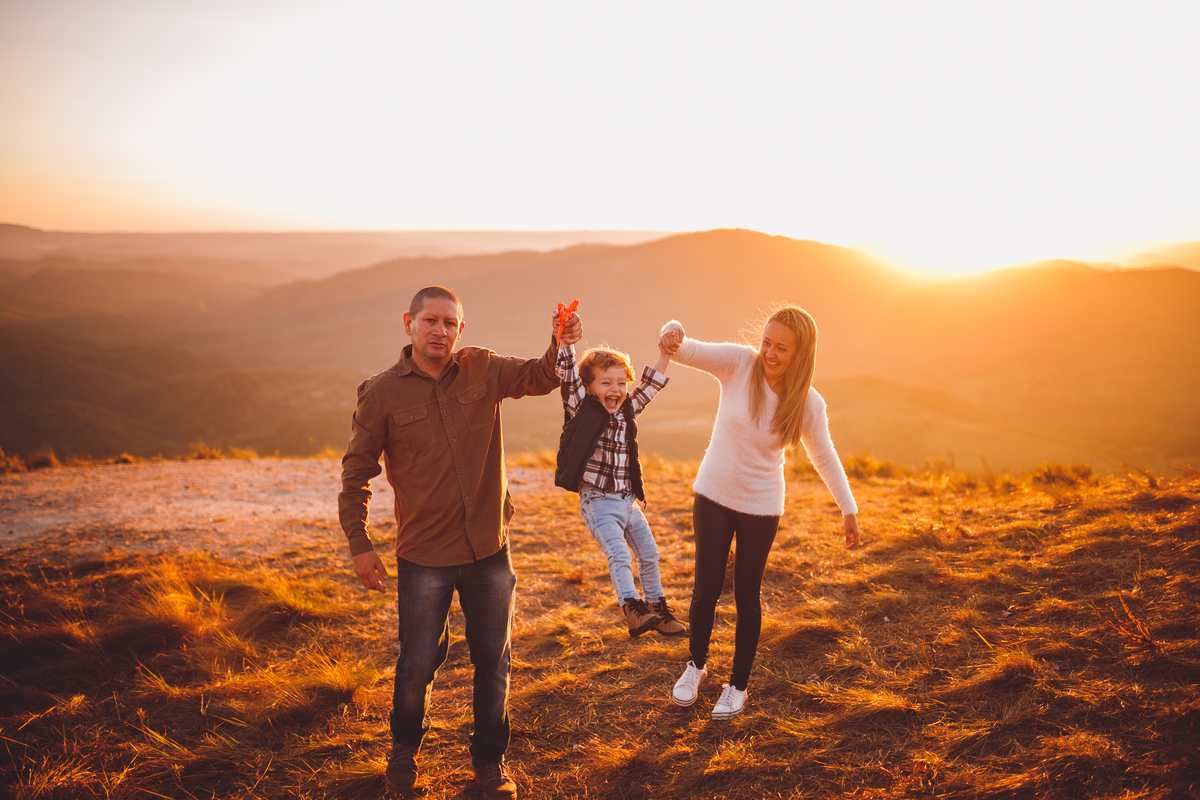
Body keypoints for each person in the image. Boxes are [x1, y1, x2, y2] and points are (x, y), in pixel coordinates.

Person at [339, 286, 581, 800]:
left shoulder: (483, 368)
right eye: (430, 320)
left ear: (461, 329)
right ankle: (404, 753)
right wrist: (360, 544)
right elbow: (356, 473)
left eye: (450, 323)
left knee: (494, 663)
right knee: (417, 665)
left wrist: (561, 343)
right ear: (408, 323)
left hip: (490, 551)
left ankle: (490, 765)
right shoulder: (381, 393)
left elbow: (542, 376)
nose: (440, 330)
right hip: (424, 556)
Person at [659, 306, 861, 721]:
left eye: (781, 348)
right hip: (713, 494)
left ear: (800, 353)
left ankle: (737, 687)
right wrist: (673, 332)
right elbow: (686, 350)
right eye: (767, 342)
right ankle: (696, 666)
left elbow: (824, 455)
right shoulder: (739, 364)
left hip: (761, 506)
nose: (769, 353)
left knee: (747, 596)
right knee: (705, 588)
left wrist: (849, 509)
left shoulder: (808, 403)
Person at [552, 324, 686, 639]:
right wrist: (565, 341)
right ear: (588, 387)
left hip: (628, 501)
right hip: (598, 502)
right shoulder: (580, 407)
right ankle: (632, 608)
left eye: (621, 383)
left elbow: (650, 387)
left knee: (649, 554)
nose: (616, 389)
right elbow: (569, 375)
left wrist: (666, 353)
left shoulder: (626, 410)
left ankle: (656, 608)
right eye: (605, 383)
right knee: (620, 553)